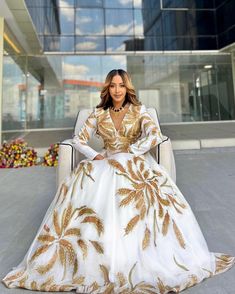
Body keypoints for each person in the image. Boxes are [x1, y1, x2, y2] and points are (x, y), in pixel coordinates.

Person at [2, 69, 234, 293]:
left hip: (135, 162)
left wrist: (133, 150)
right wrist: (96, 155)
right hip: (106, 161)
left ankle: (140, 257)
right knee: (87, 188)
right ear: (107, 88)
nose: (117, 90)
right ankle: (93, 259)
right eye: (112, 85)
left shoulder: (139, 110)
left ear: (127, 87)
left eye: (121, 85)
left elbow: (155, 135)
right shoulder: (99, 113)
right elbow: (78, 139)